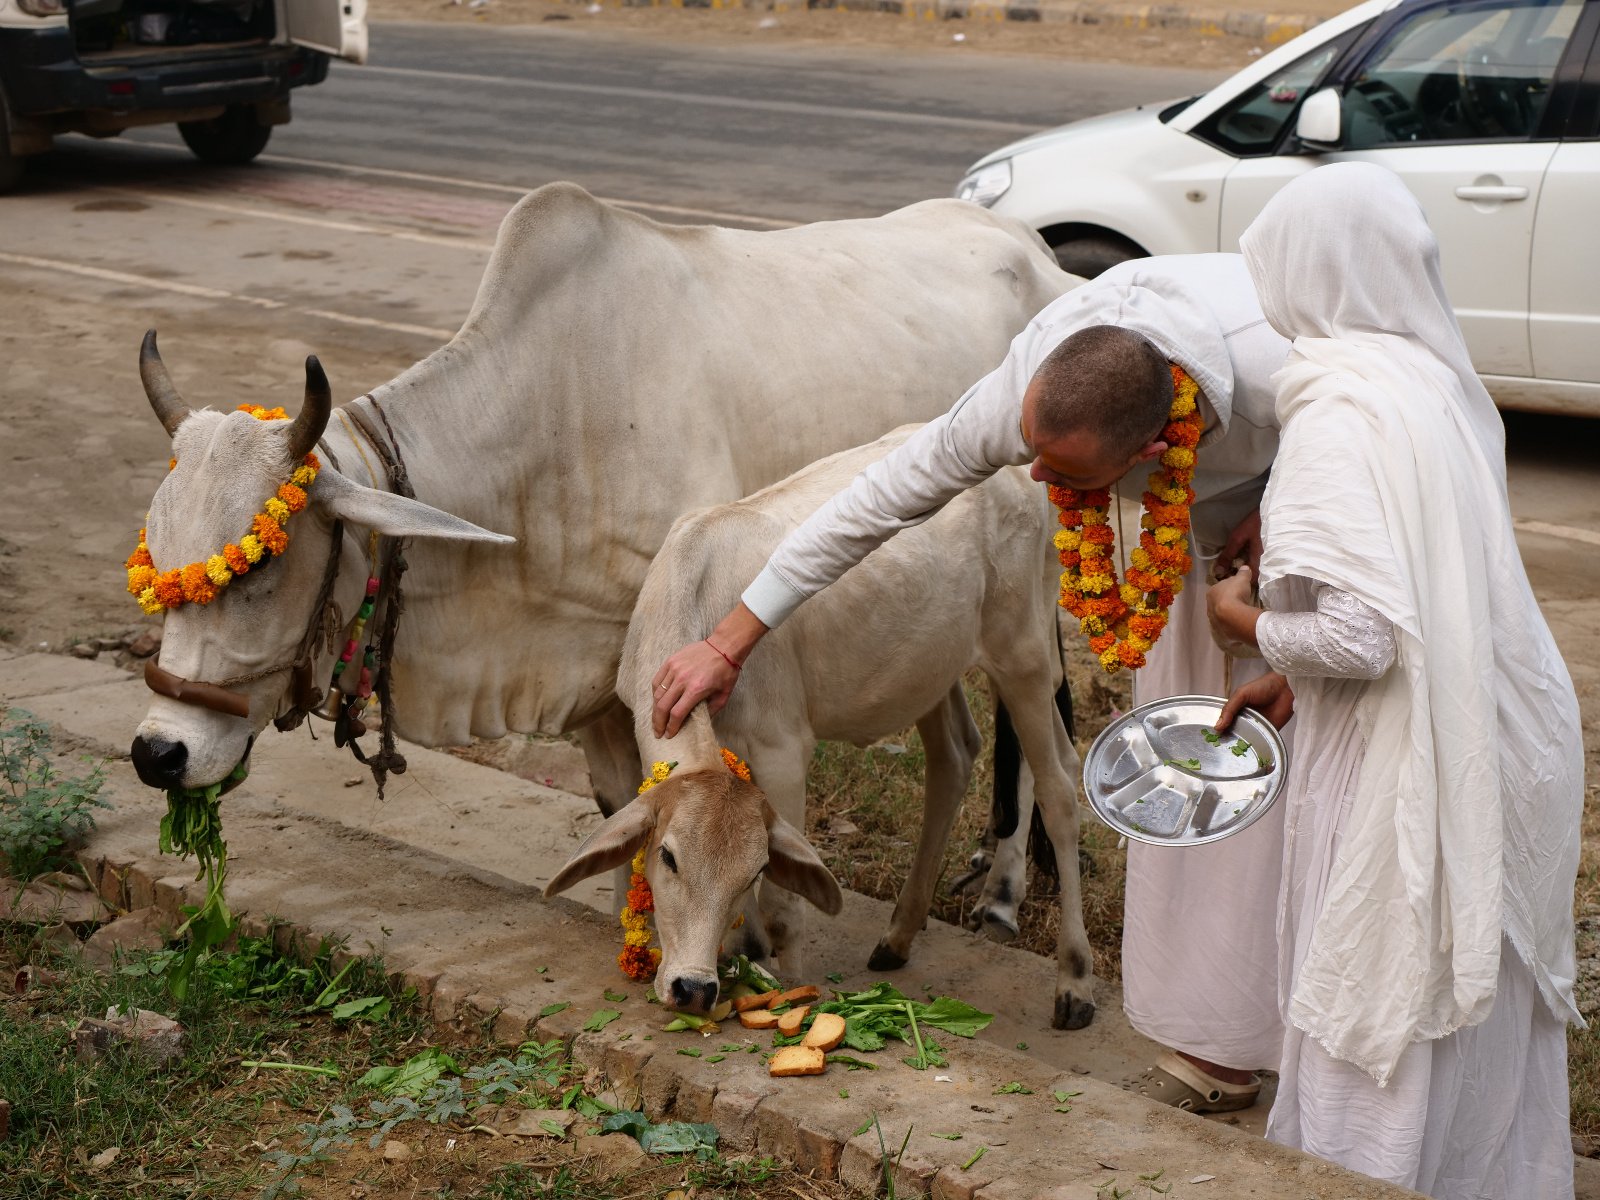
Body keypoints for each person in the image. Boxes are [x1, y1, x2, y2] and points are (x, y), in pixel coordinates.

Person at [651, 254, 1293, 1109]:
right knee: (1200, 793)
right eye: (1032, 452)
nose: (1034, 481)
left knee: (1292, 801)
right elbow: (871, 504)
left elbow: (1374, 444)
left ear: (1148, 452)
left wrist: (1284, 498)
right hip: (1199, 568)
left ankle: (1280, 1025)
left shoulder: (1284, 371)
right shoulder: (1027, 398)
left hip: (1299, 544)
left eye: (1063, 479)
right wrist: (731, 639)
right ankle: (1212, 1026)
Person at [1209, 162, 1584, 1198]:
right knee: (1476, 1027)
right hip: (1503, 732)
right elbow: (1430, 594)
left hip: (1413, 757)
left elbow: (1364, 634)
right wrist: (1297, 684)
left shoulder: (1337, 415)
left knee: (1381, 1004)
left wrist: (1244, 621)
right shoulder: (1430, 381)